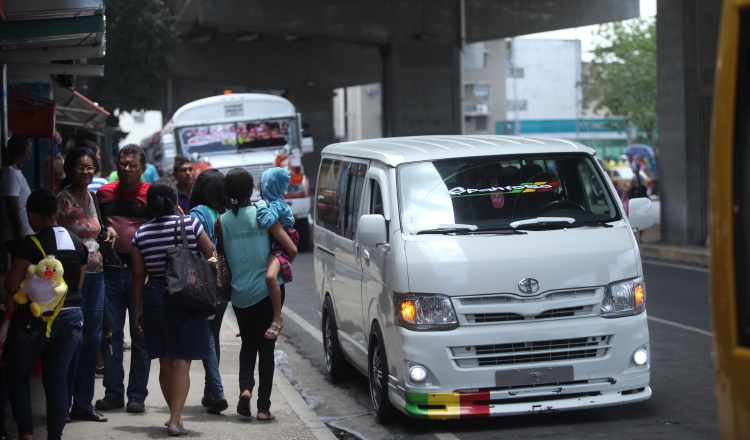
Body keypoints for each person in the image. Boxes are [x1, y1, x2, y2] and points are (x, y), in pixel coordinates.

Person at [131, 178, 215, 436]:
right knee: (183, 361)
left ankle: (172, 416)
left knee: (165, 361)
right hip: (186, 294)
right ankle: (176, 418)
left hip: (156, 295)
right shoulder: (190, 223)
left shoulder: (141, 233)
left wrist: (137, 310)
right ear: (174, 201)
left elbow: (137, 275)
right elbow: (211, 252)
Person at [4, 189, 87, 440]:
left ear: (32, 215)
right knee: (57, 380)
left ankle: (27, 433)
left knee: (17, 374)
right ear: (57, 213)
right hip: (73, 318)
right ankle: (54, 436)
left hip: (35, 319)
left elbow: (10, 285)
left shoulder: (30, 244)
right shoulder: (79, 244)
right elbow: (78, 286)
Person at [221, 168, 297, 420]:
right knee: (266, 349)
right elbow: (290, 248)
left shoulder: (221, 221)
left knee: (248, 345)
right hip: (267, 291)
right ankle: (263, 408)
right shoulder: (263, 215)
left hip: (239, 295)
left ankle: (245, 390)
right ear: (251, 188)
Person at [57, 148, 117, 423]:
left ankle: (83, 403)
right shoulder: (62, 200)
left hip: (98, 275)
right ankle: (63, 402)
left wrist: (109, 232)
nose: (87, 172)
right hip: (71, 278)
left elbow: (98, 228)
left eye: (90, 167)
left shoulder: (93, 196)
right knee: (74, 339)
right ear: (69, 170)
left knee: (93, 339)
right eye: (81, 167)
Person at [94, 144, 152, 414]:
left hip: (142, 275)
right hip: (110, 272)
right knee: (112, 334)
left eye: (132, 164)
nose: (126, 168)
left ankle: (137, 395)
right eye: (122, 163)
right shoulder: (103, 194)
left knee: (140, 335)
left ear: (142, 168)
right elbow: (95, 227)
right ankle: (114, 393)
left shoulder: (151, 195)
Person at [187, 169, 229, 414]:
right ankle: (209, 392)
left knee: (207, 336)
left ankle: (217, 391)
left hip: (204, 283)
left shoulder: (197, 214)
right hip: (224, 282)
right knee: (214, 333)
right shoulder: (225, 213)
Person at [255, 167, 299, 339]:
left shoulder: (276, 204)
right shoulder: (275, 202)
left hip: (282, 242)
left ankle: (277, 317)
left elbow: (266, 221)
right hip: (277, 242)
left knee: (270, 277)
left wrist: (259, 205)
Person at [2, 135, 35, 249]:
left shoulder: (14, 172)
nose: (30, 152)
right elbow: (14, 212)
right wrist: (21, 242)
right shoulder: (12, 175)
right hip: (21, 236)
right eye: (30, 149)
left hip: (25, 234)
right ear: (25, 151)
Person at [623, 161, 649, 244]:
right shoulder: (642, 177)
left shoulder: (634, 178)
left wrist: (625, 188)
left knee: (633, 219)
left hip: (634, 201)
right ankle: (640, 238)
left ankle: (634, 237)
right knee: (641, 219)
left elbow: (628, 189)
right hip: (641, 200)